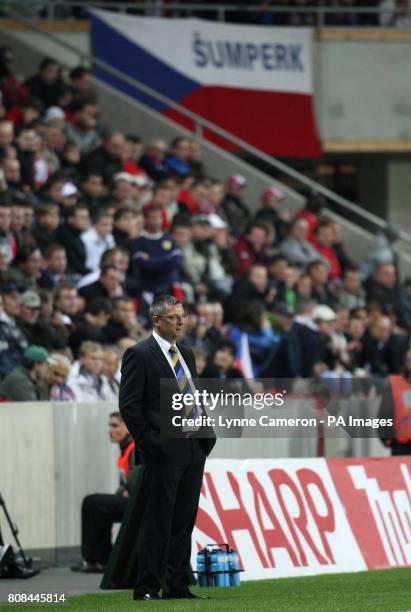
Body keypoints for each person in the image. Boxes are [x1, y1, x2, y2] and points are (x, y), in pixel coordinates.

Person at [119, 295, 215, 600]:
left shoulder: (185, 353)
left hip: (192, 446)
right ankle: (147, 586)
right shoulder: (139, 354)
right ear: (157, 320)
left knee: (183, 519)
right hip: (164, 450)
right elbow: (130, 405)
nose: (181, 321)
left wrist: (204, 436)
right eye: (175, 317)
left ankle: (176, 585)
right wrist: (152, 443)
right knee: (158, 519)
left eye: (183, 316)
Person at [71, 412, 139, 573]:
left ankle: (98, 559)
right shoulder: (125, 449)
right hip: (132, 500)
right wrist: (123, 491)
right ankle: (98, 558)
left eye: (115, 425)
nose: (110, 430)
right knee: (95, 505)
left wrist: (124, 490)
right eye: (109, 425)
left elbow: (135, 484)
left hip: (140, 504)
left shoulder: (134, 449)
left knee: (93, 503)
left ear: (128, 428)